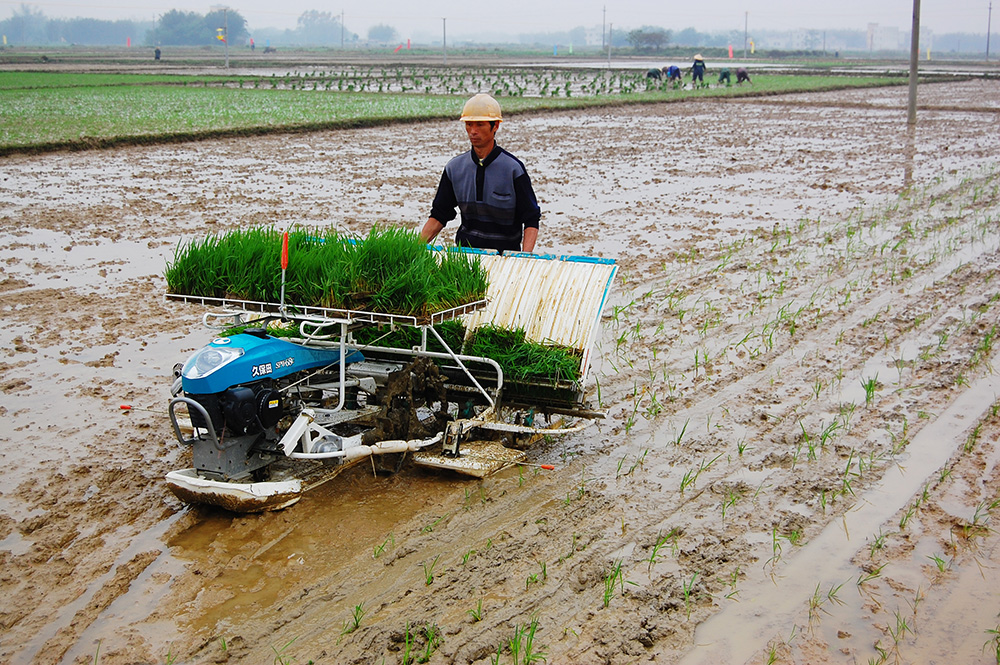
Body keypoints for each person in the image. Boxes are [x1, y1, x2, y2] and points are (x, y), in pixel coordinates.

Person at [420, 93, 540, 254]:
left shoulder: (513, 169)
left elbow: (531, 218)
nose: (473, 131)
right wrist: (413, 248)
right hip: (465, 255)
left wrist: (524, 258)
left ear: (495, 126)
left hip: (505, 257)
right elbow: (440, 214)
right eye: (469, 125)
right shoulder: (454, 168)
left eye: (480, 125)